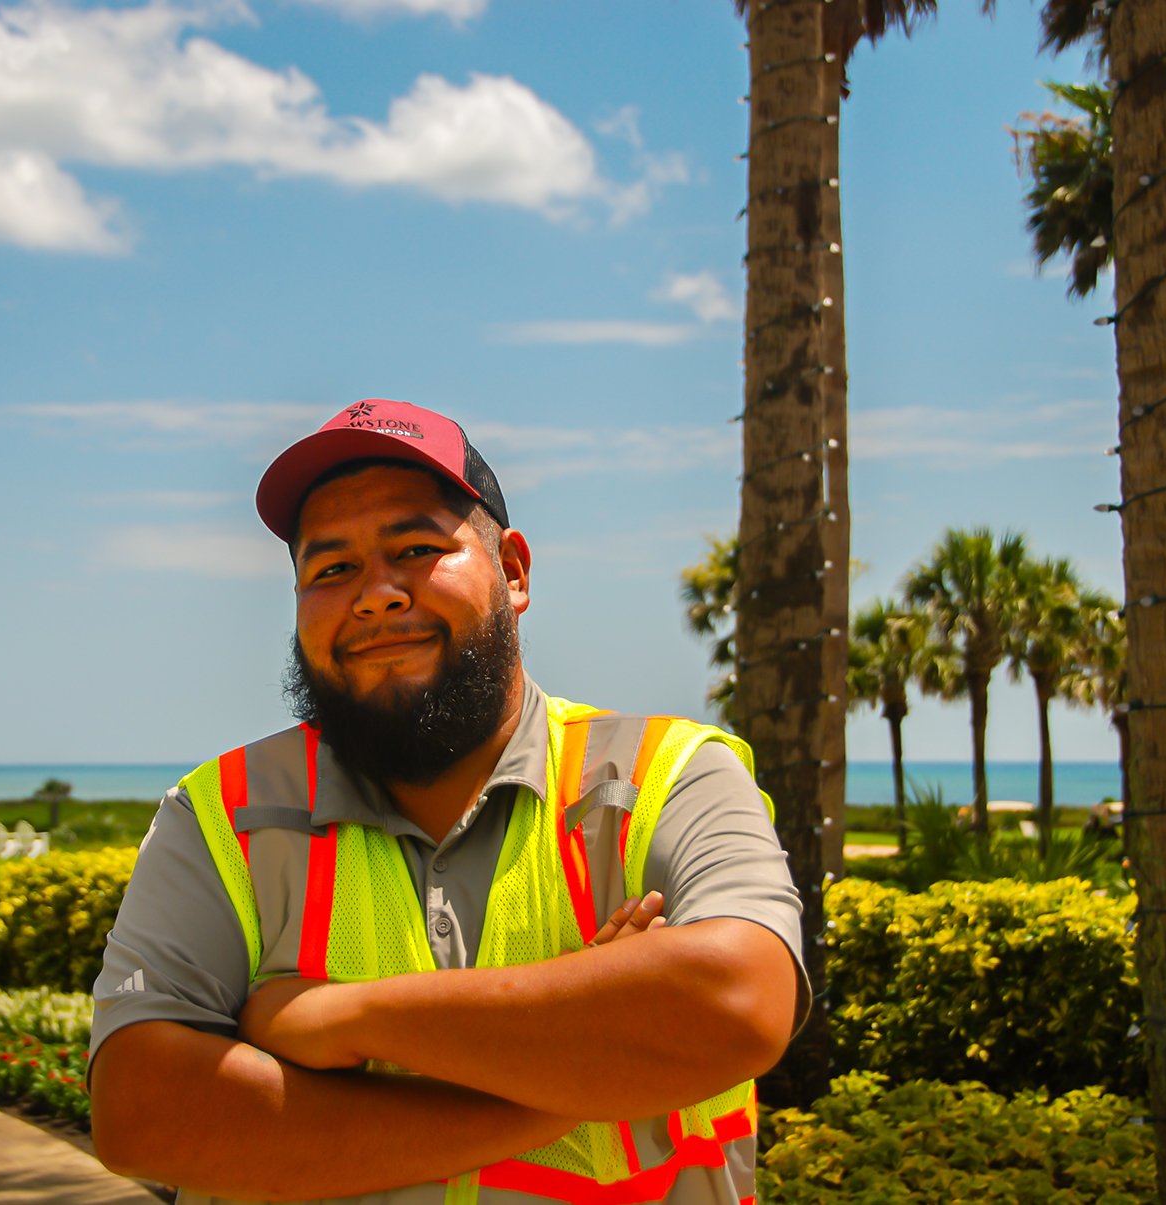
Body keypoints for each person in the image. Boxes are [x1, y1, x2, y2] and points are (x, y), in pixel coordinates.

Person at [89, 399, 809, 1205]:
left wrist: (335, 1017)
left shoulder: (668, 776)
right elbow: (143, 1114)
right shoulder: (221, 814)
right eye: (331, 569)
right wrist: (578, 1081)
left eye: (417, 548)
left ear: (513, 571)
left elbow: (736, 1003)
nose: (375, 594)